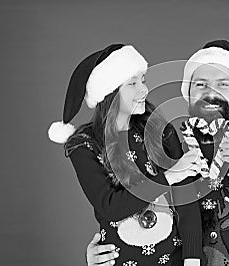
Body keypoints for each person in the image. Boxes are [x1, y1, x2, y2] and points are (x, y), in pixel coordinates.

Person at [86, 40, 229, 265]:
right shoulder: (164, 144)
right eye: (201, 84)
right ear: (188, 92)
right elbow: (128, 208)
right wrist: (105, 254)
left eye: (223, 84)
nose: (210, 93)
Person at [48, 44, 203, 266]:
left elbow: (186, 203)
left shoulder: (160, 131)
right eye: (132, 83)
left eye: (143, 80)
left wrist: (192, 260)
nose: (144, 90)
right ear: (109, 93)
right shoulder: (85, 146)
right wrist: (168, 177)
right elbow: (111, 207)